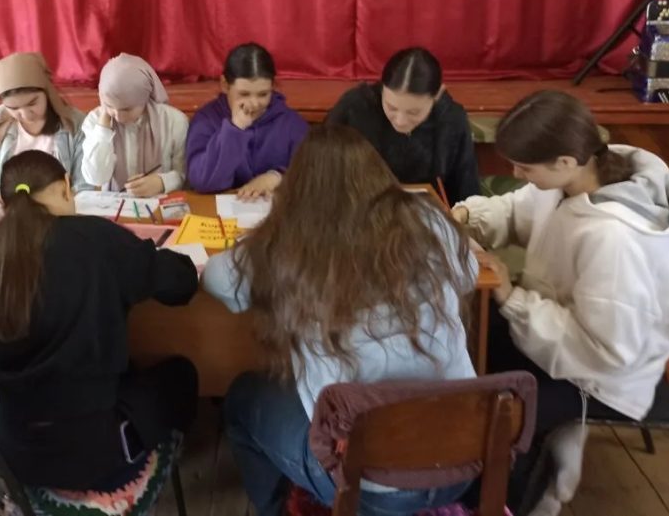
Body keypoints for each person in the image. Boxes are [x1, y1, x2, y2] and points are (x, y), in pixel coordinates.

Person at [202, 125, 476, 516]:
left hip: (367, 482)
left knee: (243, 398)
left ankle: (279, 509)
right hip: (462, 460)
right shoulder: (429, 220)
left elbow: (216, 279)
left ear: (296, 188)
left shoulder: (285, 242)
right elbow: (467, 275)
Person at [452, 90, 669, 514]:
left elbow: (606, 351)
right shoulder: (574, 176)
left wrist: (512, 297)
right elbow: (517, 210)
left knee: (491, 413)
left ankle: (521, 496)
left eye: (525, 168)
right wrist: (469, 218)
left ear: (564, 161)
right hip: (554, 333)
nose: (516, 174)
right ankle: (542, 445)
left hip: (601, 378)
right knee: (471, 335)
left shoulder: (614, 239)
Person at [0, 150, 199, 492]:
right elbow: (180, 284)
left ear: (4, 202)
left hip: (15, 454)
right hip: (96, 461)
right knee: (182, 374)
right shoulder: (94, 238)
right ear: (66, 186)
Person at [326, 47, 479, 204]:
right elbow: (323, 168)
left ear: (437, 95)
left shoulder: (451, 120)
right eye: (391, 107)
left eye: (413, 112)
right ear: (382, 88)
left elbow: (465, 189)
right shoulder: (354, 108)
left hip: (423, 211)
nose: (400, 121)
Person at [0, 52, 88, 230]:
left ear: (47, 90)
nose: (25, 115)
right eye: (13, 108)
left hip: (61, 223)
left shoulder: (76, 124)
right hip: (9, 224)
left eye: (32, 103)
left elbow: (84, 186)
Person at [186, 43, 308, 198]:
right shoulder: (206, 120)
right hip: (222, 208)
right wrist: (234, 129)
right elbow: (203, 182)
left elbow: (312, 174)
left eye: (263, 94)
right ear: (225, 85)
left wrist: (277, 177)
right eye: (244, 94)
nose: (254, 104)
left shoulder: (291, 123)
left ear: (273, 86)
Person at [81, 53, 189, 197]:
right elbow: (96, 177)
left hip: (160, 204)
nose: (118, 116)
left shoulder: (173, 121)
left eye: (126, 109)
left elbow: (184, 174)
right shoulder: (94, 120)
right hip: (114, 206)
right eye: (110, 106)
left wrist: (162, 182)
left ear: (144, 98)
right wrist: (103, 129)